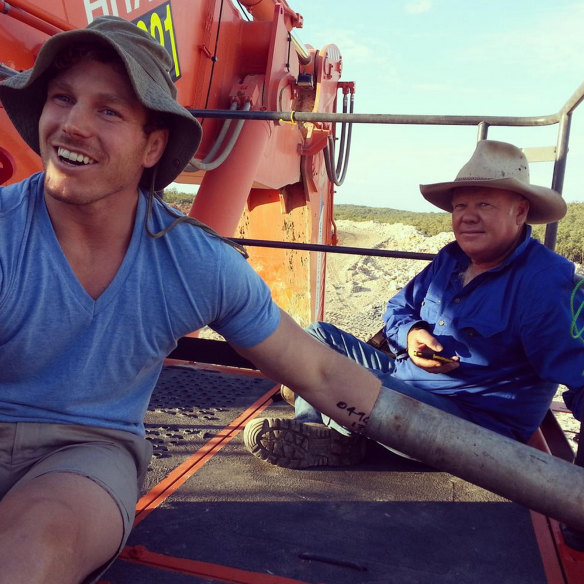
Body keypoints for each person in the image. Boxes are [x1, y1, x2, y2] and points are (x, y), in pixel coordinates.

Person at [0, 17, 389, 584]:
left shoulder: (194, 263)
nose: (73, 125)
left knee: (31, 554)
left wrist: (475, 450)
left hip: (83, 456)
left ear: (153, 144)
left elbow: (322, 375)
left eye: (109, 110)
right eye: (62, 98)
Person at [244, 139, 584, 468]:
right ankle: (320, 425)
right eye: (460, 206)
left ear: (520, 211)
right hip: (403, 380)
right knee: (316, 336)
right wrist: (411, 333)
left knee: (339, 377)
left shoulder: (546, 284)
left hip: (469, 424)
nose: (467, 216)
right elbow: (397, 309)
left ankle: (328, 414)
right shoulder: (451, 259)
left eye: (484, 205)